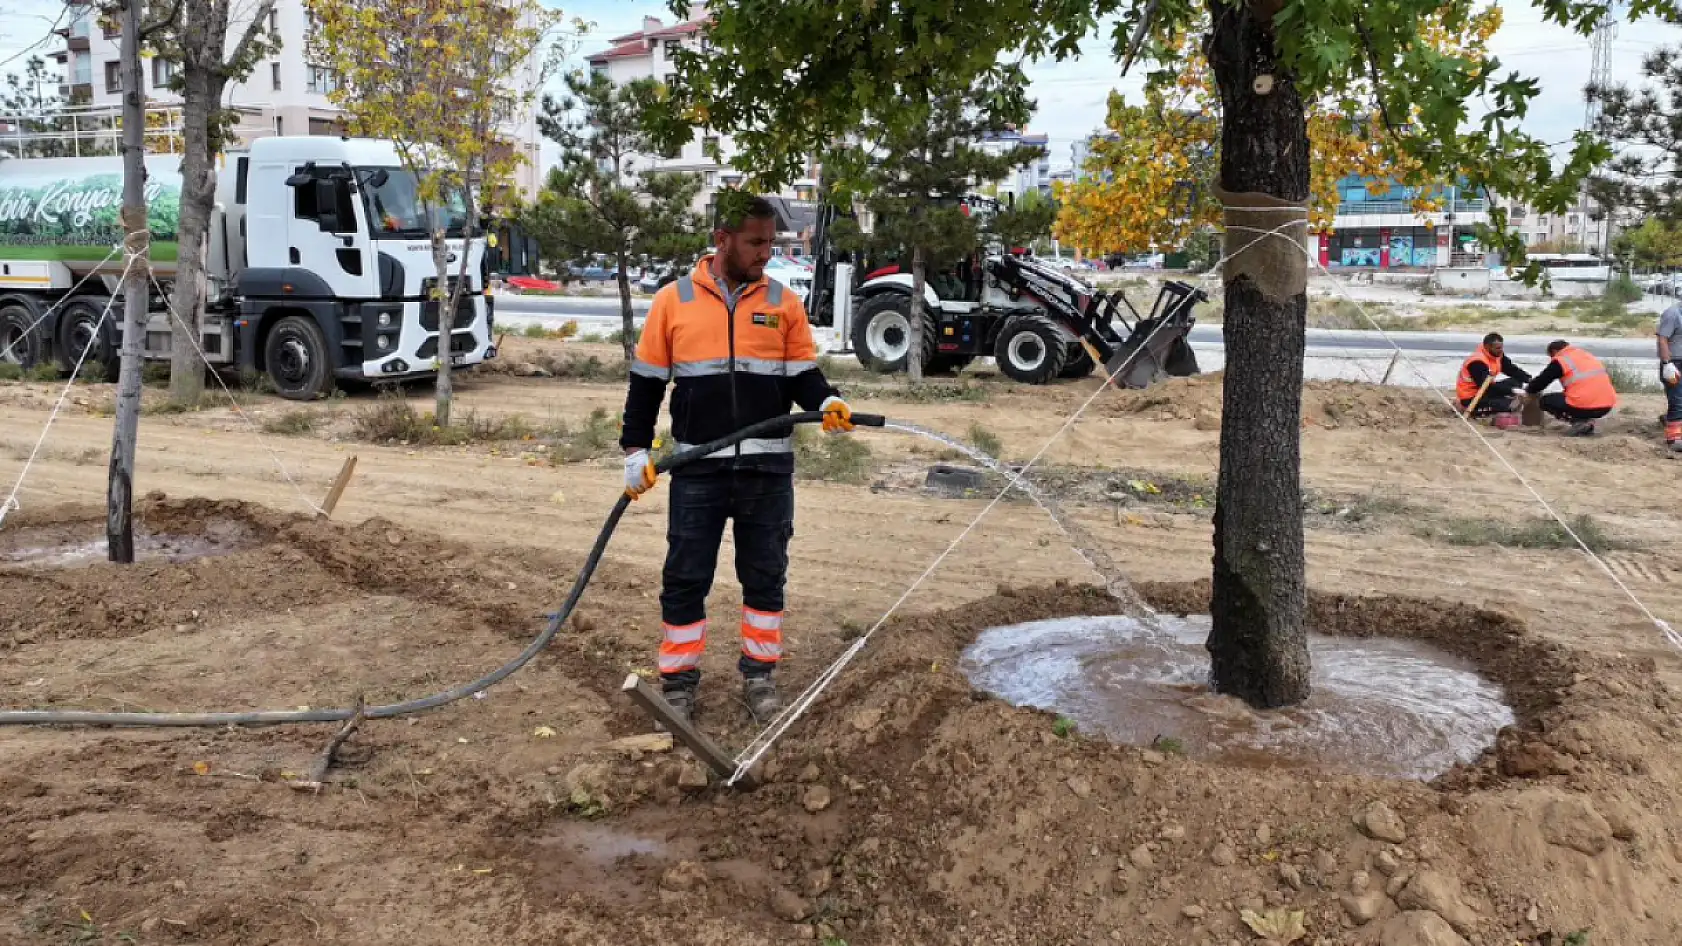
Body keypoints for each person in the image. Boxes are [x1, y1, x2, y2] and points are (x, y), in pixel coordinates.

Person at [618, 196, 854, 726]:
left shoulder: (782, 302)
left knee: (765, 576)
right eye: (756, 242)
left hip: (766, 472)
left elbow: (802, 374)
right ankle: (678, 683)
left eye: (771, 242)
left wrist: (827, 401)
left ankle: (760, 676)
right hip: (697, 469)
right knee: (686, 576)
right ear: (722, 239)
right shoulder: (673, 301)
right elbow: (646, 385)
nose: (766, 253)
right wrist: (635, 451)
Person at [1519, 339, 1618, 436]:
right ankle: (1586, 422)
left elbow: (1541, 382)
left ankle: (1578, 422)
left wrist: (1528, 390)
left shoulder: (1561, 360)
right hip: (1607, 406)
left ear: (1554, 351)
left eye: (1551, 356)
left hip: (1584, 405)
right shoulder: (1586, 355)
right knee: (1571, 397)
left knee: (1545, 401)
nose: (1552, 359)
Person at [1456, 332, 1531, 416]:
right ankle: (1473, 409)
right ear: (1488, 347)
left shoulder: (1497, 355)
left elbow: (1511, 370)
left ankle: (1504, 399)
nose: (1501, 350)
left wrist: (1530, 380)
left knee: (1517, 381)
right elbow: (1487, 388)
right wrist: (1512, 390)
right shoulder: (1477, 362)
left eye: (1501, 347)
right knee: (1508, 405)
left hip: (1486, 390)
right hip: (1472, 397)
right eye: (1498, 348)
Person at [1658, 299, 1682, 451]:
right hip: (1674, 364)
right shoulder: (1672, 314)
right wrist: (1667, 363)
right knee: (1677, 399)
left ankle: (1669, 420)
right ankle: (1674, 438)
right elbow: (1662, 339)